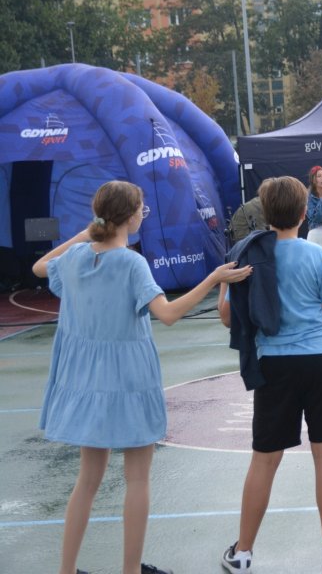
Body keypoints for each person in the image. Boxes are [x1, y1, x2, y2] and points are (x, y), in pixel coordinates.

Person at [31, 180, 251, 574]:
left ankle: (66, 570)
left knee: (87, 479)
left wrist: (83, 234)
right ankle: (130, 570)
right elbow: (167, 314)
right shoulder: (131, 263)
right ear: (130, 216)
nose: (142, 216)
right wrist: (213, 278)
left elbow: (40, 267)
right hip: (129, 380)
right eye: (141, 210)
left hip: (85, 381)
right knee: (137, 478)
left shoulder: (79, 255)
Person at [217, 176, 322, 574]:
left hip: (274, 367)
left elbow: (228, 317)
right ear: (302, 212)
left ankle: (242, 553)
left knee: (263, 461)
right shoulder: (313, 256)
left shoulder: (249, 255)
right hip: (321, 363)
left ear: (264, 212)